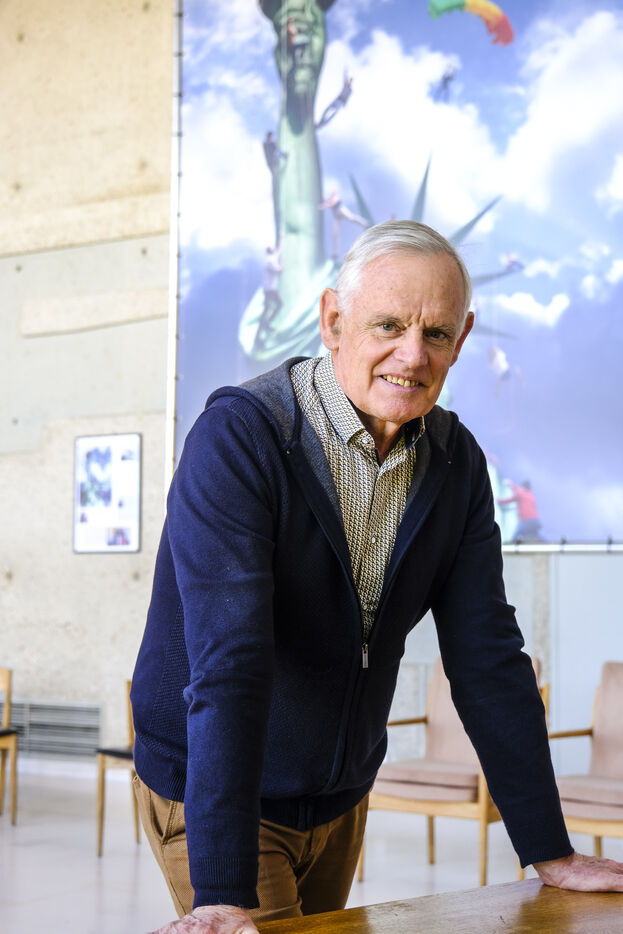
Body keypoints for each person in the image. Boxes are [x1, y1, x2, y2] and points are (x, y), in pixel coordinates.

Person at [131, 220, 623, 934]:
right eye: (388, 325)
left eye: (437, 333)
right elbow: (231, 662)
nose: (412, 355)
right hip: (218, 791)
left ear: (463, 337)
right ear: (333, 321)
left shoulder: (456, 463)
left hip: (338, 796)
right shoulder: (239, 439)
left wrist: (550, 851)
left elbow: (486, 659)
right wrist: (222, 891)